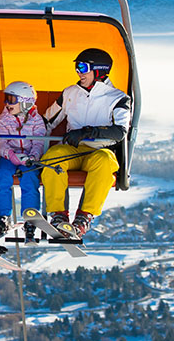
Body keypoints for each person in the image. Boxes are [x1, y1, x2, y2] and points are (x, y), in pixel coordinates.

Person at [40, 48, 132, 238]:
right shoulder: (70, 93)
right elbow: (47, 121)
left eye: (83, 67)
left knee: (106, 163)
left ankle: (84, 217)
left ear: (99, 70)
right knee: (52, 158)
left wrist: (88, 132)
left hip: (100, 150)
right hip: (72, 150)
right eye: (76, 67)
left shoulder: (118, 98)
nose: (79, 72)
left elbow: (120, 131)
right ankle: (58, 215)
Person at [0, 81, 46, 240]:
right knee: (1, 175)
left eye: (12, 99)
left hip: (28, 158)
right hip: (9, 156)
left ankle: (30, 217)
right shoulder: (3, 119)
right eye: (6, 98)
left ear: (26, 102)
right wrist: (10, 154)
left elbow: (39, 141)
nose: (7, 103)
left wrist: (33, 157)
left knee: (29, 178)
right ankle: (2, 216)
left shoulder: (37, 121)